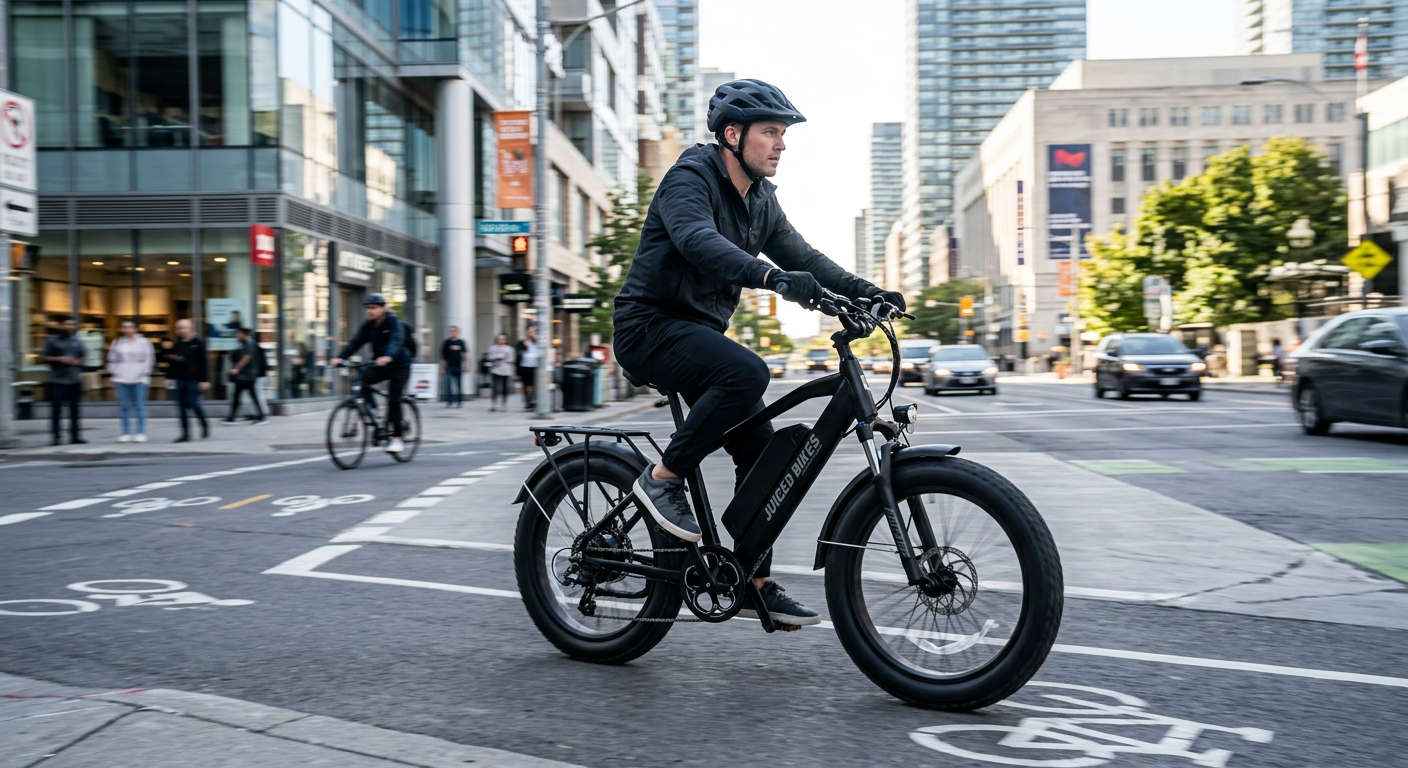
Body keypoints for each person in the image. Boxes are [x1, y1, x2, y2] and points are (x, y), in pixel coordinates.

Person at [612, 79, 906, 626]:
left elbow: (807, 257)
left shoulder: (761, 201)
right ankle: (663, 478)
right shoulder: (690, 177)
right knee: (747, 371)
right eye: (771, 131)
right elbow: (697, 239)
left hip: (698, 337)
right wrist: (769, 276)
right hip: (649, 328)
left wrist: (867, 291)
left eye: (783, 133)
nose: (782, 144)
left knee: (761, 450)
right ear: (732, 134)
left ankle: (754, 580)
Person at [330, 293, 412, 453]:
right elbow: (355, 342)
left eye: (373, 308)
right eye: (368, 308)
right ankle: (376, 413)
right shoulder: (368, 326)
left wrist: (388, 356)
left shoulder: (393, 322)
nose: (370, 311)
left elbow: (396, 340)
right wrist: (340, 358)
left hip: (399, 365)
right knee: (360, 383)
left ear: (383, 308)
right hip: (380, 364)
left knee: (394, 400)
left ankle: (396, 438)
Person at [39, 317, 87, 446]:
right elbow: (43, 358)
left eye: (72, 324)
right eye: (67, 324)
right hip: (57, 381)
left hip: (75, 381)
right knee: (56, 410)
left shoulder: (78, 342)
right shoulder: (53, 341)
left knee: (75, 410)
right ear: (62, 325)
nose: (70, 326)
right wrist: (59, 359)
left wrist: (76, 362)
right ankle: (56, 437)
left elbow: (83, 360)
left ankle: (75, 436)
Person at [107, 320, 155, 442]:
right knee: (124, 406)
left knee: (140, 405)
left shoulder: (143, 342)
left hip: (139, 377)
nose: (127, 330)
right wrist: (114, 371)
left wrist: (145, 372)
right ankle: (126, 432)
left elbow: (149, 357)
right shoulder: (117, 343)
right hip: (122, 377)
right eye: (124, 328)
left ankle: (141, 432)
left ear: (135, 329)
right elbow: (112, 358)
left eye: (129, 327)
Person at [165, 319, 210, 442]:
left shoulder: (198, 343)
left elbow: (203, 363)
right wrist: (169, 377)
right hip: (180, 379)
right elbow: (172, 363)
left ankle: (204, 423)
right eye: (179, 328)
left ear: (190, 328)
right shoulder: (177, 345)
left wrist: (204, 380)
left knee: (193, 404)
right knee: (181, 408)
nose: (181, 330)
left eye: (183, 328)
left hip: (193, 380)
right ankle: (185, 434)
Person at [224, 328, 267, 425]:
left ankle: (261, 416)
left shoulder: (249, 344)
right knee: (238, 395)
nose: (237, 336)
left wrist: (236, 369)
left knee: (250, 395)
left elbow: (247, 358)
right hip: (244, 375)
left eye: (238, 334)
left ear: (244, 334)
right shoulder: (246, 344)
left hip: (248, 376)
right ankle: (232, 417)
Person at [440, 325, 468, 407]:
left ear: (457, 332)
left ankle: (459, 401)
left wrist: (466, 365)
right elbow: (443, 357)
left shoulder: (461, 342)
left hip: (458, 365)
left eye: (454, 331)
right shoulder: (447, 342)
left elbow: (464, 354)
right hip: (449, 366)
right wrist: (442, 368)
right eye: (451, 331)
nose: (452, 333)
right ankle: (449, 401)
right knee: (448, 384)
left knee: (459, 384)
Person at [486, 333, 515, 412]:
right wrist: (498, 357)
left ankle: (504, 404)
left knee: (505, 387)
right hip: (495, 369)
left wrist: (501, 358)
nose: (501, 341)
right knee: (495, 387)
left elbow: (510, 359)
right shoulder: (492, 348)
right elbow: (490, 357)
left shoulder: (509, 349)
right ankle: (494, 403)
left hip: (506, 370)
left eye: (503, 339)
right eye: (499, 339)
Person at [515, 326, 541, 410]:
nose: (531, 334)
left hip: (535, 366)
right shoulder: (522, 342)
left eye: (533, 332)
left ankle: (534, 400)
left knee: (534, 385)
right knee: (526, 385)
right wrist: (524, 346)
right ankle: (527, 401)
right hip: (525, 366)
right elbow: (518, 354)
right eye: (530, 332)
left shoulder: (538, 342)